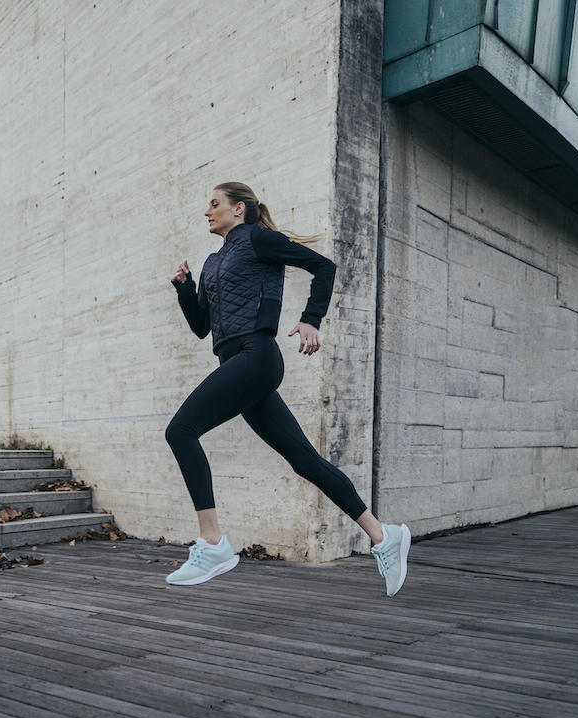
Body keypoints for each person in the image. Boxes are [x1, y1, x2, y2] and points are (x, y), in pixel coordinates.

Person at [164, 181, 410, 596]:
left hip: (256, 356)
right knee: (304, 461)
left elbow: (324, 267)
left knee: (180, 431)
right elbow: (202, 327)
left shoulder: (259, 239)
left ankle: (212, 543)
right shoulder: (212, 261)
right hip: (237, 363)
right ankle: (384, 536)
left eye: (214, 204)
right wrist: (185, 289)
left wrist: (311, 318)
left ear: (238, 209)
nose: (207, 212)